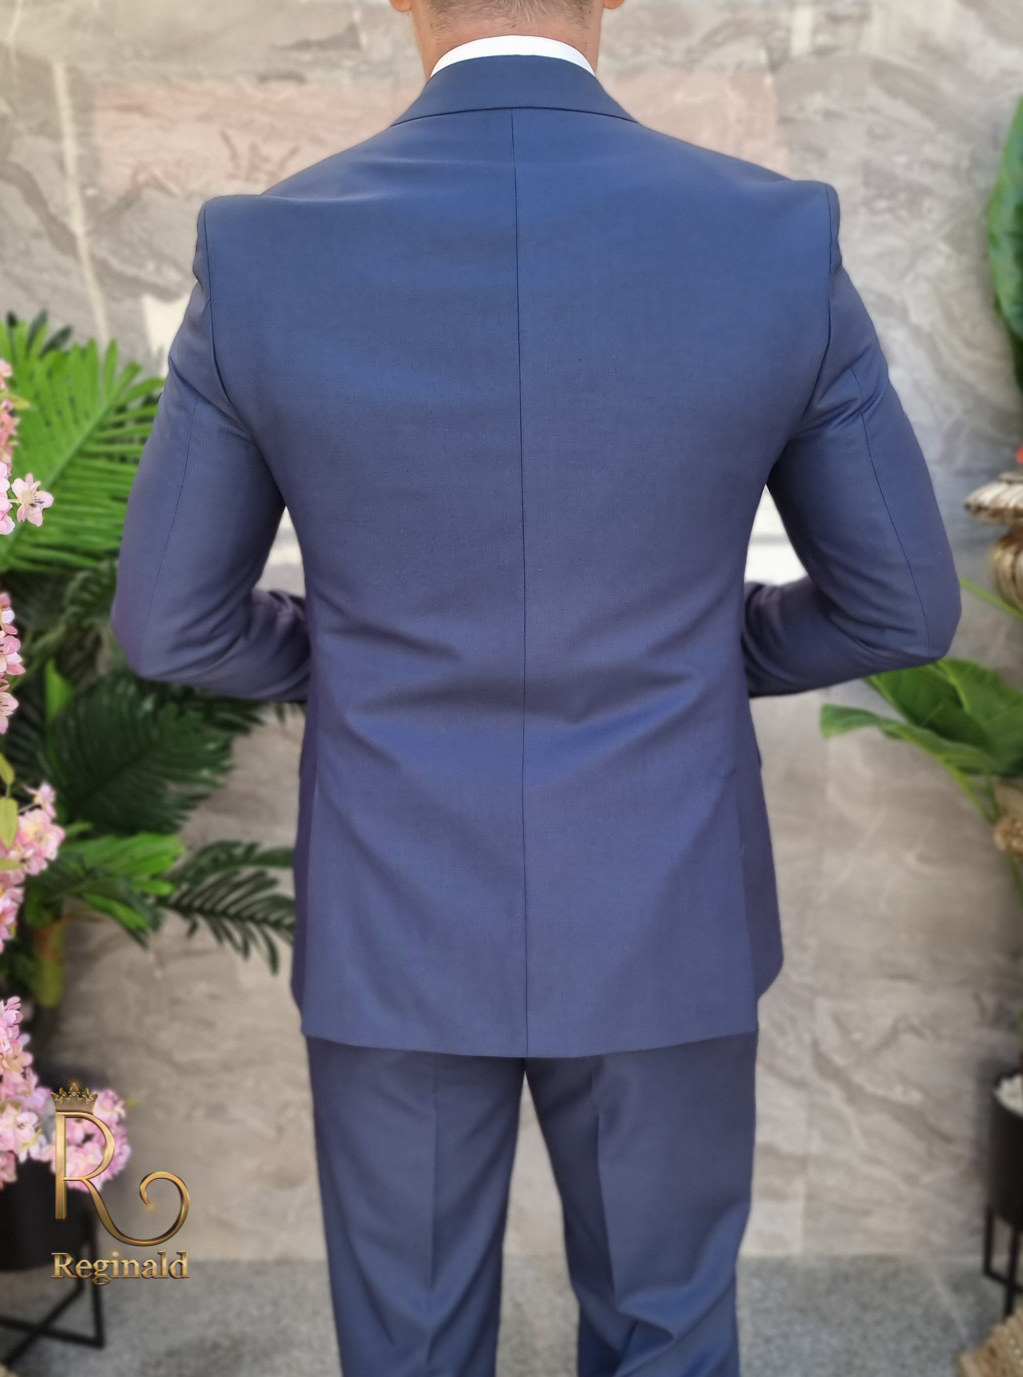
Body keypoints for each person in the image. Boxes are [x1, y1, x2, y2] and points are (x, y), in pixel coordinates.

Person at [110, 0, 962, 1370]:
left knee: (409, 1346)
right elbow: (902, 605)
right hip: (663, 901)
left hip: (394, 913)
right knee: (665, 1333)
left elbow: (169, 625)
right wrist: (703, 652)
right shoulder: (774, 235)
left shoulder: (262, 248)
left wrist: (368, 660)